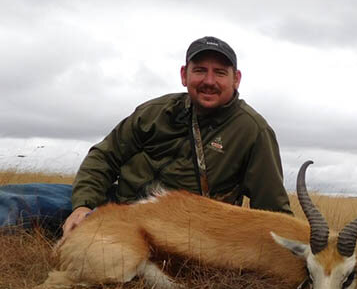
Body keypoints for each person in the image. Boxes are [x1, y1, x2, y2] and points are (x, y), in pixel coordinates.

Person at [60, 36, 292, 236]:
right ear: (184, 75)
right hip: (115, 206)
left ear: (236, 79)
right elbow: (104, 156)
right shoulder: (154, 112)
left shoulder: (252, 131)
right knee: (27, 200)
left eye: (220, 73)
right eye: (200, 70)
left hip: (174, 230)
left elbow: (273, 212)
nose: (209, 81)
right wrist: (82, 205)